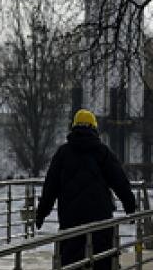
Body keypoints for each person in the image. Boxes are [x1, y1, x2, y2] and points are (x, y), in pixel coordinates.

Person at [36, 109, 135, 270]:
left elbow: (50, 187)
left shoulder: (63, 153)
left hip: (71, 221)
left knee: (72, 263)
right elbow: (120, 182)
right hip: (100, 221)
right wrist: (130, 206)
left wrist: (41, 213)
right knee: (102, 259)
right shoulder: (103, 152)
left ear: (73, 127)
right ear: (94, 128)